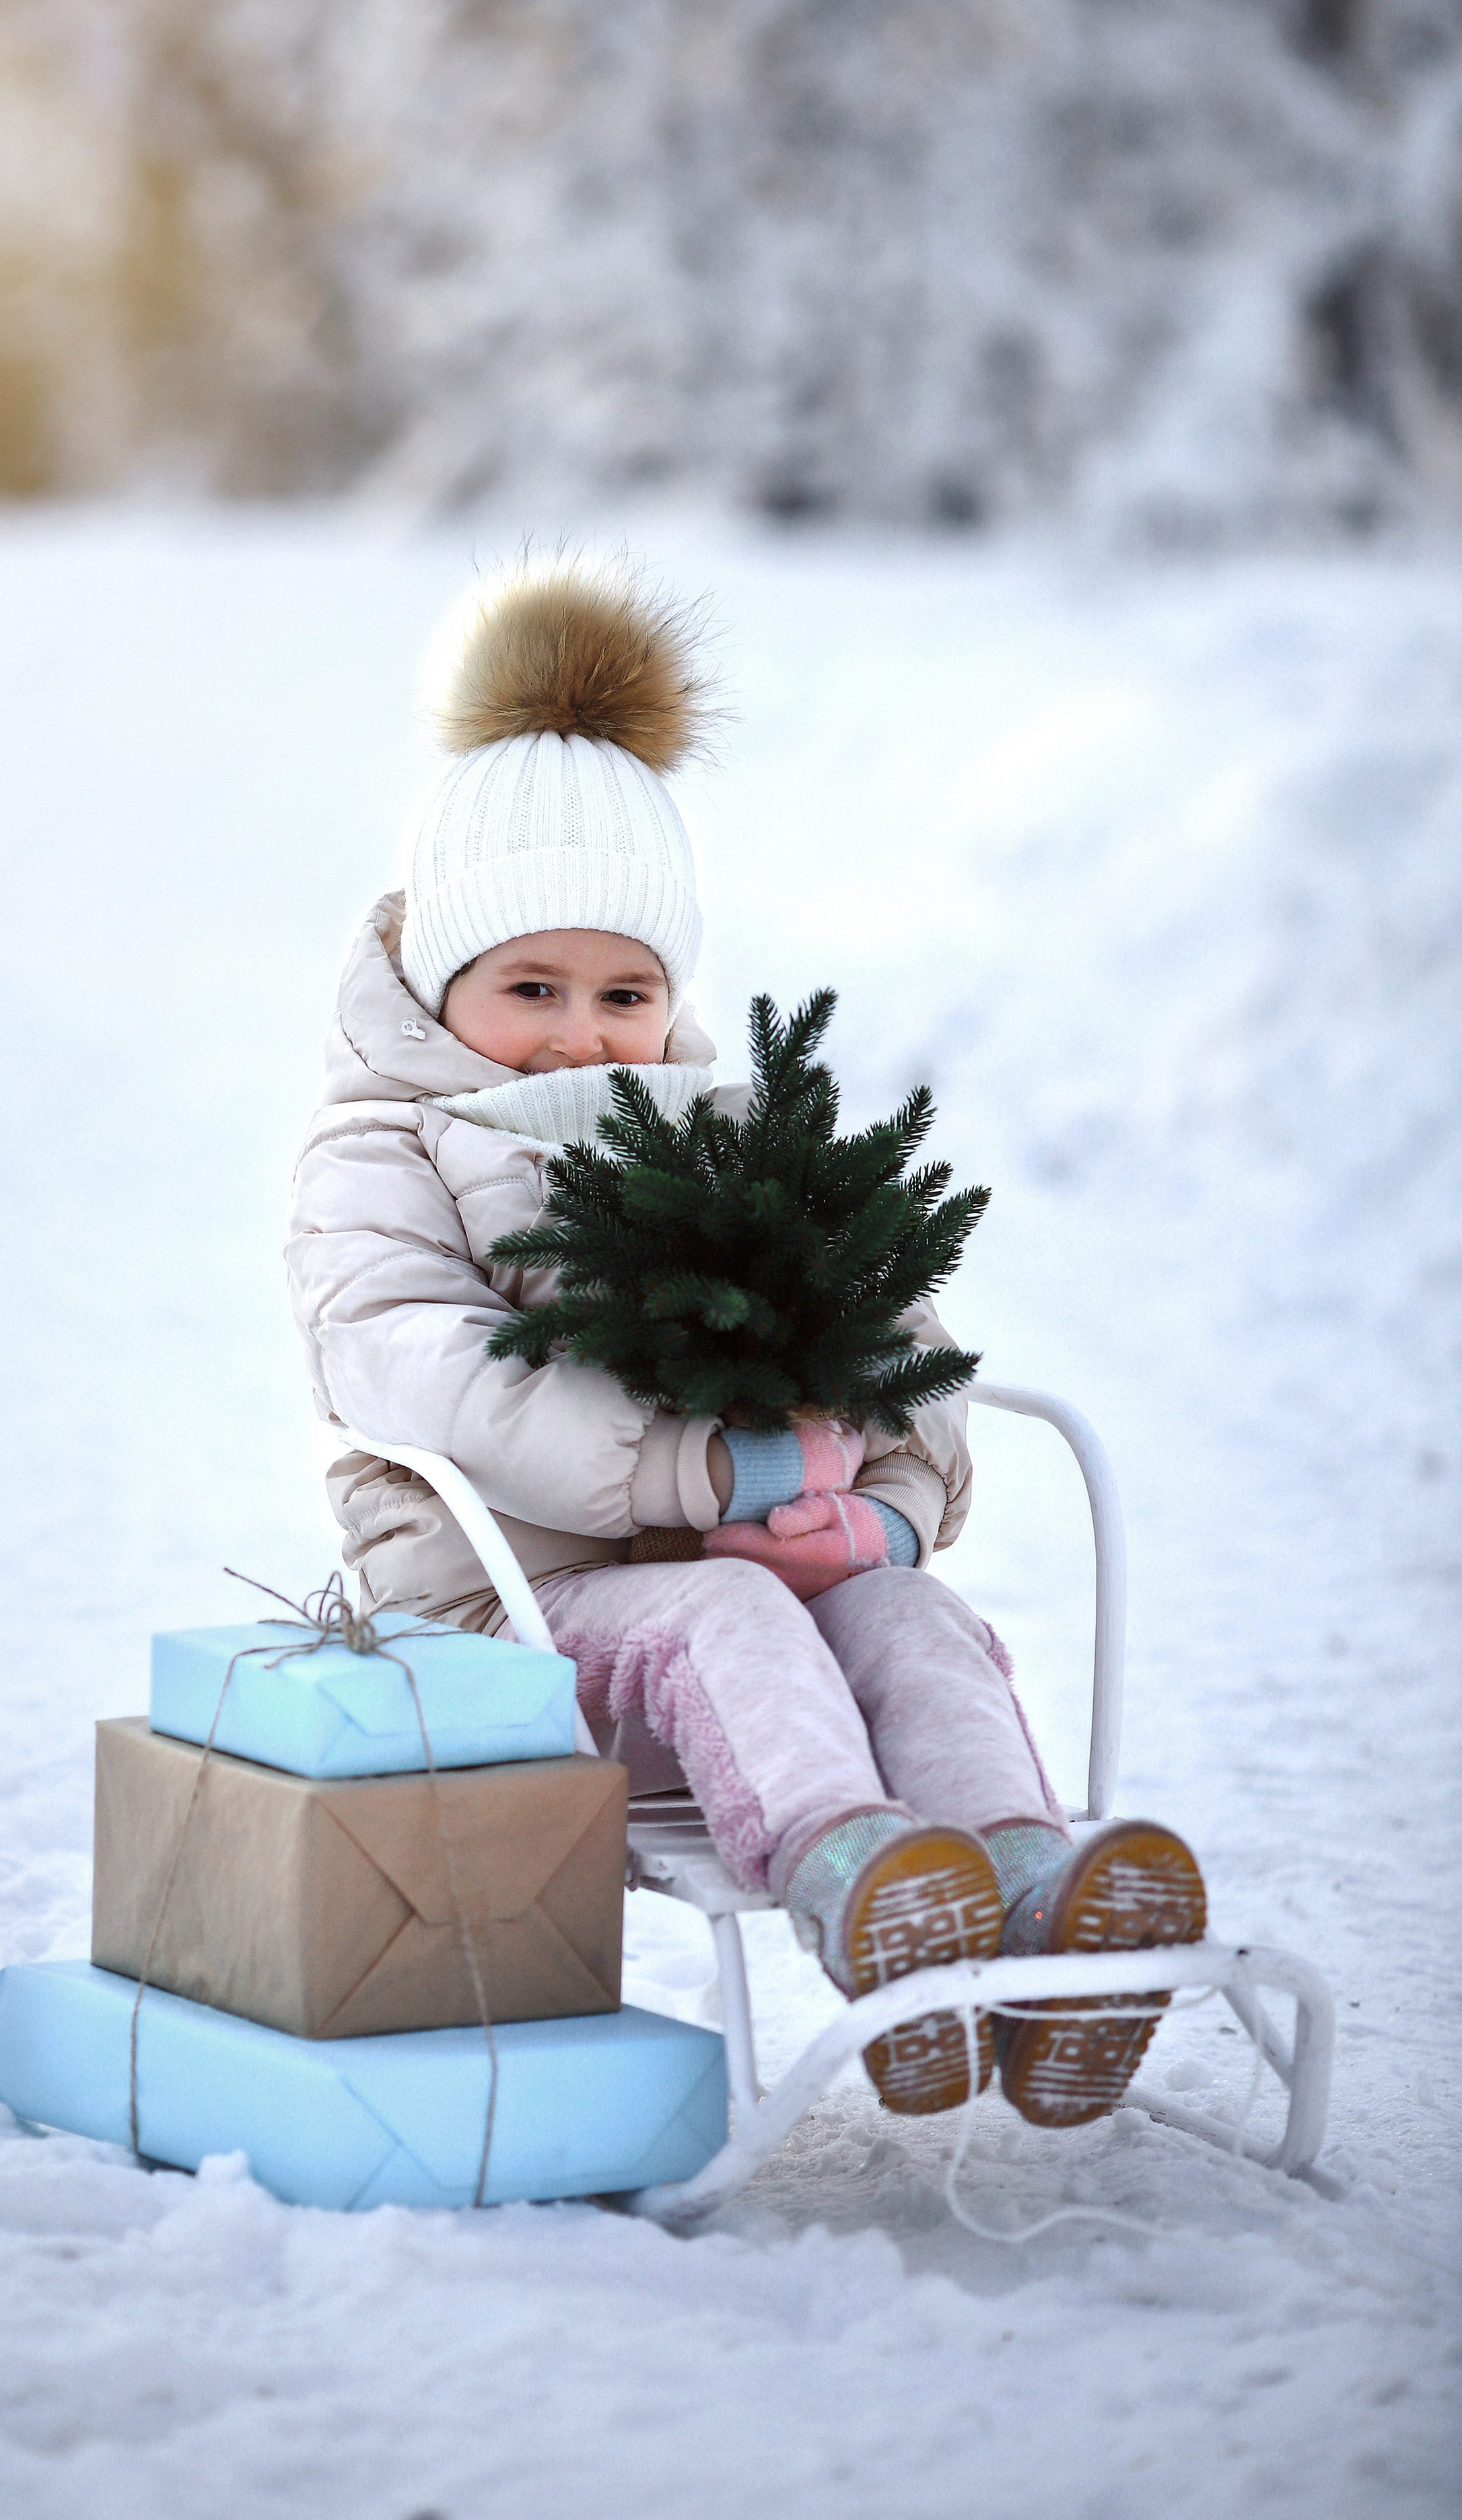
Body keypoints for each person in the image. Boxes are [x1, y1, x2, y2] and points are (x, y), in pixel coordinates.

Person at [286, 556, 1204, 2127]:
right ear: (444, 981)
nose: (583, 1029)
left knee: (911, 1623)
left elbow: (900, 1341)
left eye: (625, 988)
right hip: (520, 1624)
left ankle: (1033, 1908)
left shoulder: (726, 1132)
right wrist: (695, 1462)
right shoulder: (384, 1149)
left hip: (776, 1577)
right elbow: (414, 1359)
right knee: (722, 1609)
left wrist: (886, 1507)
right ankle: (864, 1893)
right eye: (531, 985)